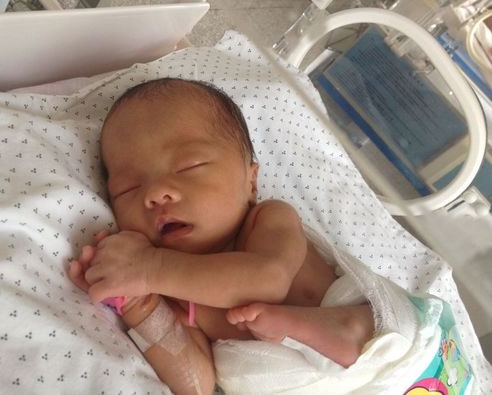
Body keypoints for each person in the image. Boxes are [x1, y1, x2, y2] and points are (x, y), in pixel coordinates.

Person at [69, 78, 375, 394]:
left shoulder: (269, 219)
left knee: (374, 326)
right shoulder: (169, 289)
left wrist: (150, 268)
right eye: (129, 188)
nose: (156, 193)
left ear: (250, 183)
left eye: (189, 166)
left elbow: (267, 281)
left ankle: (346, 330)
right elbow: (197, 383)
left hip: (379, 363)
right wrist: (138, 304)